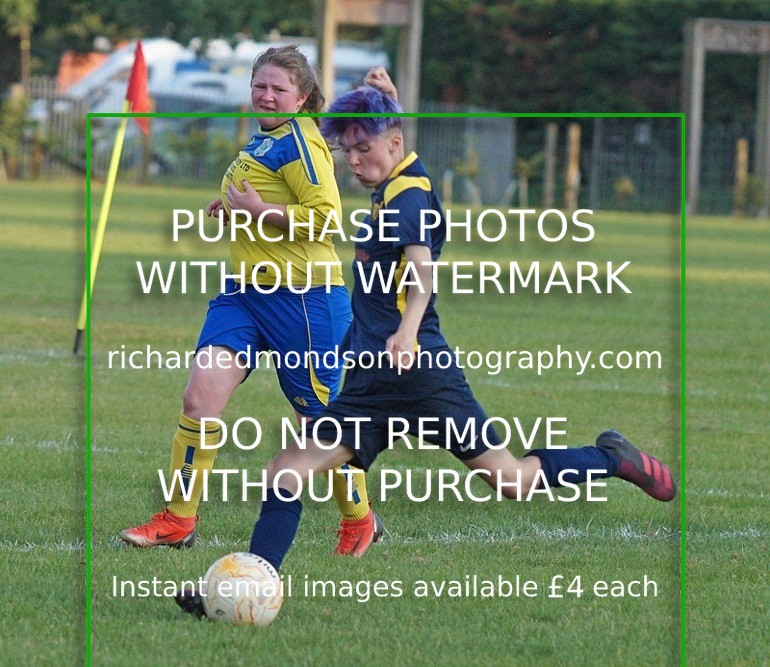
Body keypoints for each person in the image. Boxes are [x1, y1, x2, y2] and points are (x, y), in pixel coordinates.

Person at [176, 85, 676, 616]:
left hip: (421, 376)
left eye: (363, 148)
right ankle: (245, 588)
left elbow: (421, 270)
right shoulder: (391, 180)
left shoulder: (409, 196)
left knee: (512, 480)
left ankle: (611, 458)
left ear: (394, 142)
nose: (353, 160)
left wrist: (408, 329)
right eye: (347, 150)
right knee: (284, 472)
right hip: (371, 382)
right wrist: (381, 89)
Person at [120, 46, 384, 557]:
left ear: (302, 97)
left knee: (322, 425)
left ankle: (359, 519)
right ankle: (178, 518)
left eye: (278, 88)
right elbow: (263, 201)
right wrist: (235, 209)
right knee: (200, 396)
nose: (266, 95)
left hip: (305, 300)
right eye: (259, 86)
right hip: (245, 296)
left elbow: (328, 220)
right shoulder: (265, 140)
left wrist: (261, 211)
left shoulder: (303, 144)